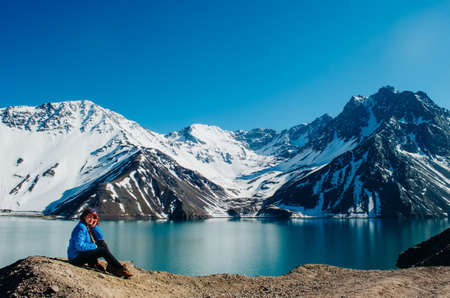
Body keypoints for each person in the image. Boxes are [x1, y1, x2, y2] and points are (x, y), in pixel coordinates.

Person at [67, 208, 132, 278]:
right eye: (89, 217)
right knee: (102, 250)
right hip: (75, 258)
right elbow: (79, 246)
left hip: (81, 254)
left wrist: (94, 226)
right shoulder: (81, 227)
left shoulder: (87, 226)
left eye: (93, 218)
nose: (91, 219)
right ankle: (118, 268)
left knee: (101, 243)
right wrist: (94, 246)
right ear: (84, 217)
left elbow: (100, 237)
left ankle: (109, 266)